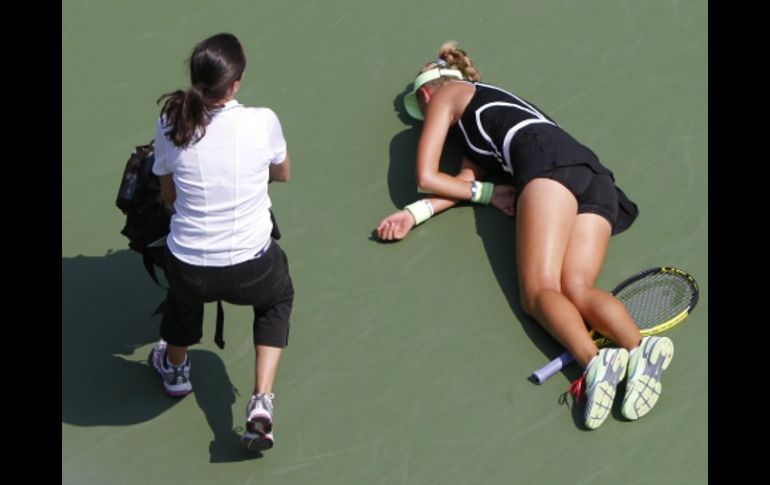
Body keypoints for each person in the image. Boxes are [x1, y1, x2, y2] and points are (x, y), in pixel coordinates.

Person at [376, 42, 674, 430]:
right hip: (595, 179)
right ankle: (639, 349)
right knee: (576, 286)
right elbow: (461, 184)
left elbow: (426, 177)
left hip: (547, 168)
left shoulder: (446, 95)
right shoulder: (483, 122)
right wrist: (412, 215)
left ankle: (596, 364)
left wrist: (483, 193)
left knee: (537, 293)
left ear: (429, 91)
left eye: (421, 106)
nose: (424, 116)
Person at [149, 33, 294, 451]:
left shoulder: (170, 123)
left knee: (182, 294)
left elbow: (169, 196)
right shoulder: (263, 121)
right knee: (278, 297)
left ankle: (175, 370)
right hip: (254, 272)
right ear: (236, 84)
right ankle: (261, 402)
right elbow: (282, 173)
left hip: (190, 271)